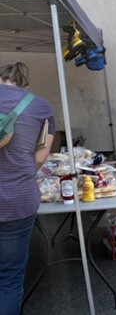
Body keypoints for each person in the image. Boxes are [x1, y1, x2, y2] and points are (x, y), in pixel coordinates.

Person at [0, 62, 55, 315]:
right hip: (18, 200)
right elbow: (42, 156)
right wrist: (21, 169)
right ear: (25, 85)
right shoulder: (40, 105)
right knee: (10, 277)